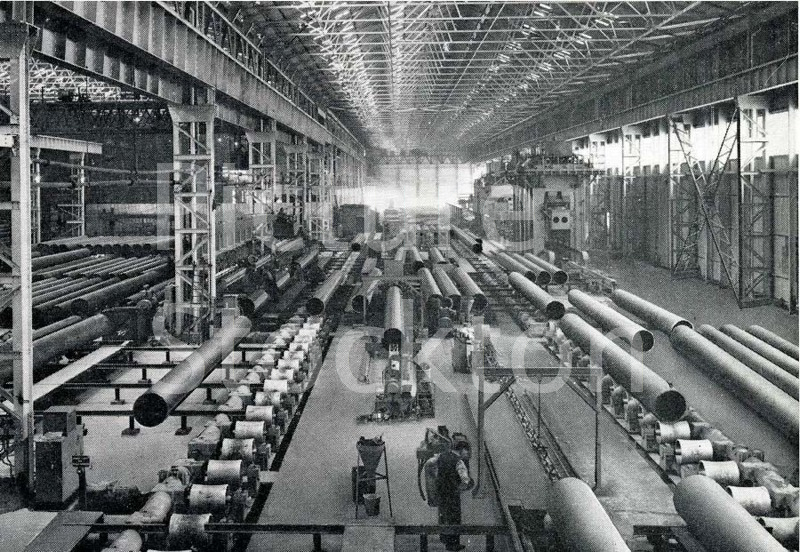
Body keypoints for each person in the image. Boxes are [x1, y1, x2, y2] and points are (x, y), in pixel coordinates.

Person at [435, 441, 473, 551]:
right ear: (461, 450)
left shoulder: (442, 456)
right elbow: (465, 480)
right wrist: (462, 487)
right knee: (454, 518)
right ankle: (453, 545)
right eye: (466, 451)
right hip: (452, 495)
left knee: (443, 515)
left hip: (442, 493)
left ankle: (444, 539)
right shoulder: (459, 462)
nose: (468, 454)